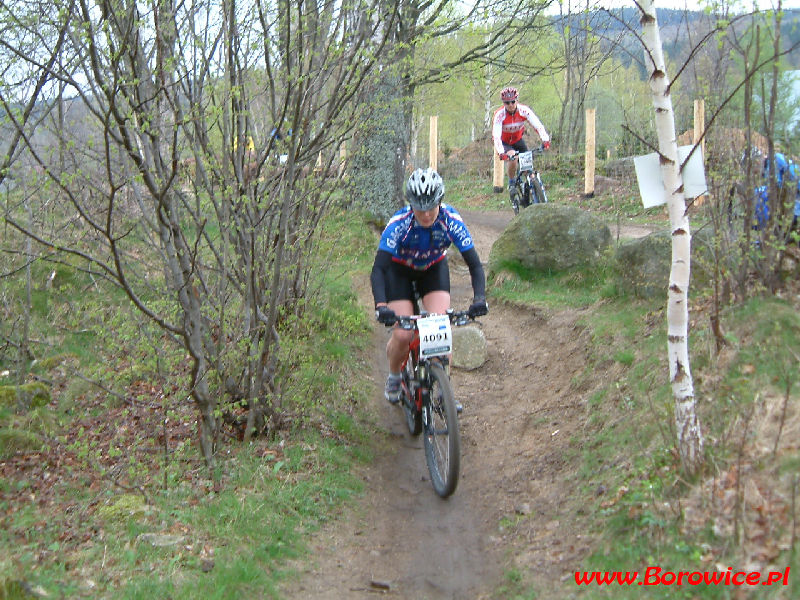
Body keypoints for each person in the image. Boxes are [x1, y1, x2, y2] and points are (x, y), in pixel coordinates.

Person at [370, 168, 489, 405]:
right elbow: (379, 269)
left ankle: (444, 389)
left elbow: (474, 265)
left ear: (440, 202)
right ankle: (394, 376)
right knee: (403, 334)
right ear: (411, 205)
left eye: (431, 208)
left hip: (433, 270)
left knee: (440, 327)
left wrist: (479, 298)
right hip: (399, 271)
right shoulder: (399, 224)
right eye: (419, 208)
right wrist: (381, 305)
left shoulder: (451, 221)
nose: (425, 215)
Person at [492, 86, 551, 205]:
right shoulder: (499, 115)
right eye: (507, 103)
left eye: (513, 101)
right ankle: (512, 182)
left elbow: (537, 125)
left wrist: (545, 140)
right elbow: (496, 136)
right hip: (505, 143)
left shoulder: (524, 111)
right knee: (513, 158)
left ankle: (532, 189)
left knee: (528, 169)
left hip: (518, 140)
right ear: (504, 103)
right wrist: (501, 152)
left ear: (517, 100)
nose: (510, 105)